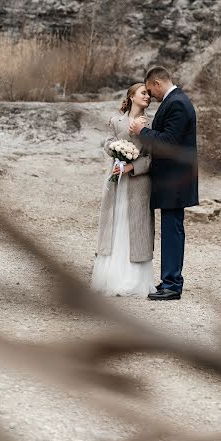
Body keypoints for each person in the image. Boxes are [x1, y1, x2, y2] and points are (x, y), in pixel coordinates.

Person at [130, 66, 198, 301]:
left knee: (172, 232)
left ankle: (172, 285)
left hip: (175, 180)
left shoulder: (177, 103)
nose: (151, 96)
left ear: (157, 84)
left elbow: (169, 142)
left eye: (150, 90)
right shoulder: (176, 101)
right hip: (173, 180)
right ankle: (169, 280)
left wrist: (142, 131)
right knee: (171, 231)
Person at [92, 83, 156, 297]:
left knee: (135, 228)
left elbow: (152, 158)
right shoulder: (115, 120)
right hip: (116, 182)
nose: (148, 96)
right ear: (131, 96)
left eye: (149, 94)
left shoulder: (152, 123)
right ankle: (111, 277)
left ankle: (134, 281)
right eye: (143, 93)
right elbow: (107, 144)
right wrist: (118, 149)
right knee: (115, 224)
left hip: (138, 184)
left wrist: (132, 166)